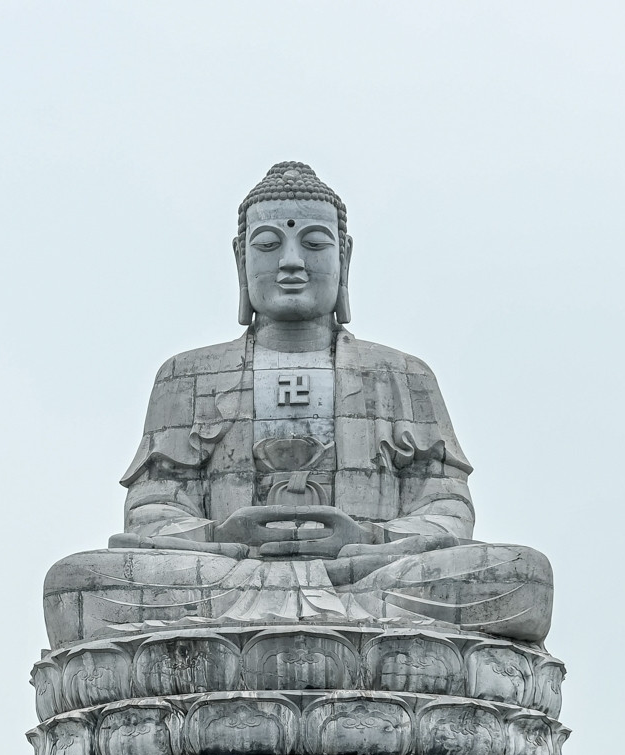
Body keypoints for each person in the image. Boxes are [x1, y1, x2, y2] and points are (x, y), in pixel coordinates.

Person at [42, 162, 554, 649]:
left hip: (366, 574)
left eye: (314, 244)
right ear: (240, 259)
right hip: (230, 576)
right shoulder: (185, 376)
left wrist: (368, 538)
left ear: (344, 257)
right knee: (75, 585)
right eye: (268, 245)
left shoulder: (403, 376)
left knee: (523, 576)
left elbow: (446, 508)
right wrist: (223, 535)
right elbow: (152, 511)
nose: (291, 262)